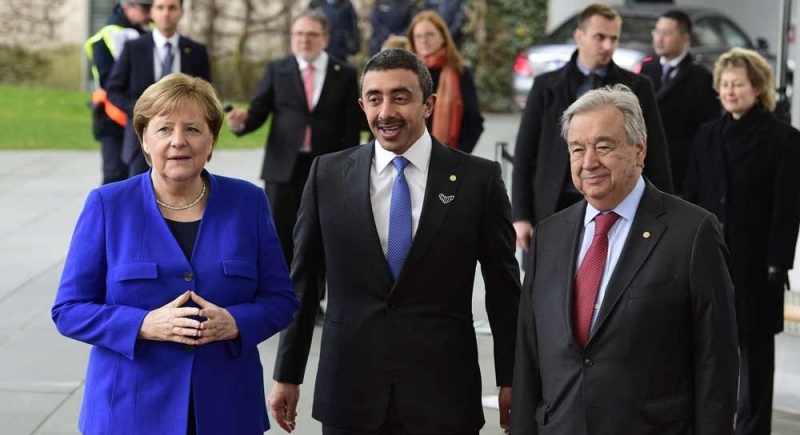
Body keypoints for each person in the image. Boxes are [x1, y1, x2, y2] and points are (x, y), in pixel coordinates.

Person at [268, 48, 521, 435]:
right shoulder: (327, 175)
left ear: (428, 104)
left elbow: (504, 291)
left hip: (444, 396)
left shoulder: (478, 181)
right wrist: (287, 374)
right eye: (374, 99)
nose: (386, 112)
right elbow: (303, 282)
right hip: (350, 394)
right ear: (362, 105)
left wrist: (512, 379)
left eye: (400, 97)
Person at [51, 73, 300, 435]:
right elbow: (68, 309)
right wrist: (142, 325)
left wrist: (236, 322)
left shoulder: (248, 202)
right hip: (129, 412)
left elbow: (281, 300)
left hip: (227, 410)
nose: (178, 141)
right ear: (144, 139)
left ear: (211, 140)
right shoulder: (108, 205)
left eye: (193, 129)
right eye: (164, 129)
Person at [511, 84, 738, 434]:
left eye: (604, 147)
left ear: (639, 149)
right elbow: (528, 354)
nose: (589, 162)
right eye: (577, 149)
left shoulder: (692, 233)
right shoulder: (549, 235)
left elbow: (717, 362)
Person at [683, 47, 800, 435]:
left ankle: (753, 428)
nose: (730, 91)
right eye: (725, 84)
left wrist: (778, 261)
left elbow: (787, 207)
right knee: (710, 345)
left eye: (738, 84)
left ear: (758, 88)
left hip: (758, 261)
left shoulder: (784, 139)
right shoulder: (707, 135)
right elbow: (692, 194)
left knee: (756, 351)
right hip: (712, 255)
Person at [512, 3, 673, 253]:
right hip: (555, 204)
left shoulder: (638, 87)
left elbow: (656, 155)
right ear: (579, 36)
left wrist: (665, 215)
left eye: (613, 38)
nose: (608, 46)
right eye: (600, 37)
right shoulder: (546, 86)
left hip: (618, 203)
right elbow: (524, 154)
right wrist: (521, 216)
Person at [227, 9, 361, 272]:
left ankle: (313, 291)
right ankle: (281, 288)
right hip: (282, 167)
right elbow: (258, 112)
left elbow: (351, 126)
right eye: (299, 34)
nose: (304, 40)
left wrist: (350, 168)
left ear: (325, 38)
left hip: (325, 167)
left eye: (311, 34)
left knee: (321, 234)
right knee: (278, 234)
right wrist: (240, 122)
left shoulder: (344, 73)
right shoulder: (278, 69)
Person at [106, 0, 212, 179]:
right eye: (160, 8)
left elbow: (207, 94)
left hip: (183, 140)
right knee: (140, 191)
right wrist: (139, 111)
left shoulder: (195, 51)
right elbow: (114, 89)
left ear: (181, 12)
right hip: (140, 140)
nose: (166, 14)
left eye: (172, 8)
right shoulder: (134, 48)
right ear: (152, 12)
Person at [639, 9, 719, 195]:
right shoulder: (648, 68)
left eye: (666, 33)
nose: (659, 39)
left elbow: (707, 127)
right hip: (648, 164)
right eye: (657, 32)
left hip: (681, 168)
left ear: (685, 38)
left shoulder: (700, 76)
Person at [85, 0, 152, 185]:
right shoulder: (107, 36)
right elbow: (108, 79)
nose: (150, 14)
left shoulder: (149, 31)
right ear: (128, 6)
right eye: (145, 8)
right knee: (114, 175)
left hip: (143, 116)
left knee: (141, 177)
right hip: (113, 115)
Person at [406, 10, 483, 153]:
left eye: (429, 34)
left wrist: (457, 156)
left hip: (449, 156)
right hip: (408, 155)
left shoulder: (460, 72)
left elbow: (474, 122)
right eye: (418, 36)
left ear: (442, 37)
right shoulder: (404, 73)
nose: (424, 40)